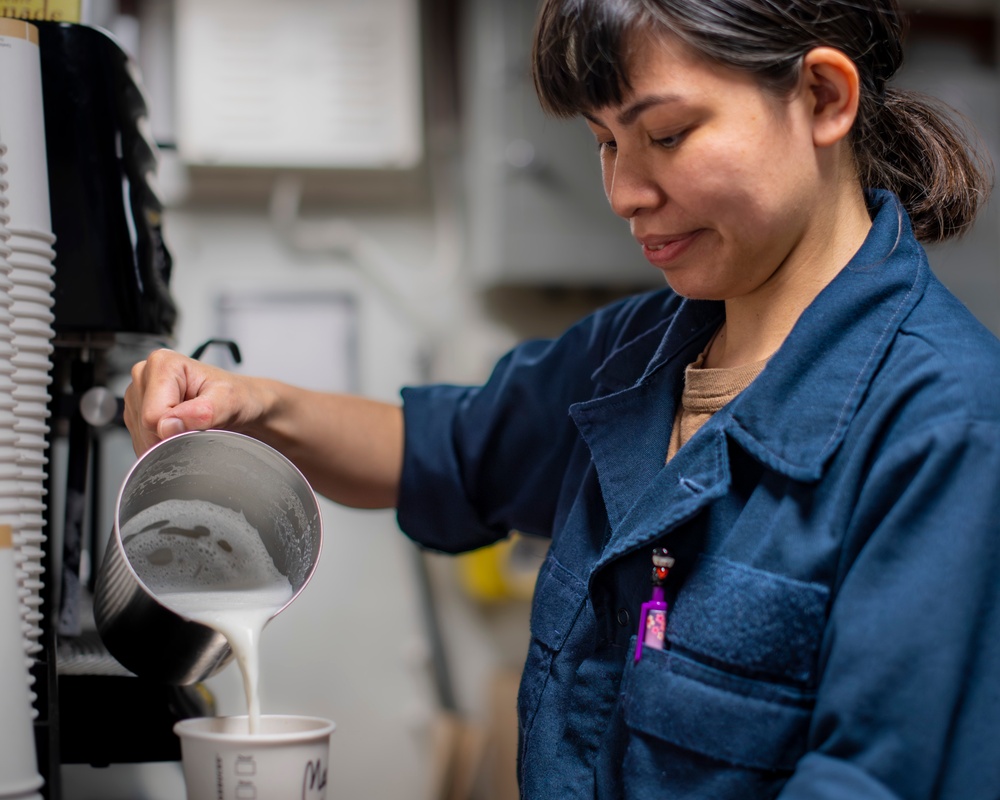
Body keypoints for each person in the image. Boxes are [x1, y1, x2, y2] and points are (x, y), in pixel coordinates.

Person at [124, 0, 1000, 797]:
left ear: (820, 96)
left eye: (666, 134)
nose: (624, 193)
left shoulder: (944, 428)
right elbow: (440, 450)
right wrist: (244, 406)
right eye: (606, 143)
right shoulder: (638, 353)